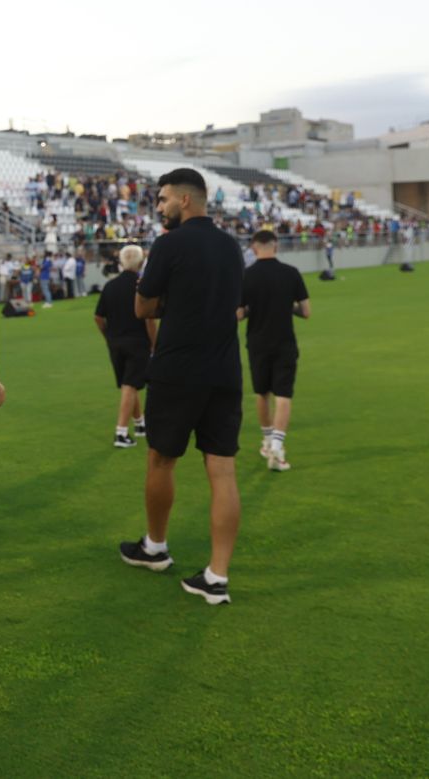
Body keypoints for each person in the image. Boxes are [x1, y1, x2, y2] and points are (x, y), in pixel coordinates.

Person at [119, 168, 242, 606]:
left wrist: (170, 302)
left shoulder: (169, 244)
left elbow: (142, 307)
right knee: (222, 470)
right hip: (226, 369)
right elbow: (233, 305)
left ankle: (155, 547)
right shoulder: (231, 245)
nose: (159, 206)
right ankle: (217, 576)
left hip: (178, 369)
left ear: (184, 200)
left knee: (161, 459)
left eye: (163, 198)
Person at [239, 230, 311, 472]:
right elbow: (306, 311)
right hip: (284, 342)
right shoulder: (291, 273)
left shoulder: (246, 275)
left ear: (254, 248)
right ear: (276, 246)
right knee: (283, 395)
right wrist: (286, 306)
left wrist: (253, 309)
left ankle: (267, 440)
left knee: (262, 393)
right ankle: (278, 447)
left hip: (258, 342)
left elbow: (238, 314)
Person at [94, 244, 154, 449]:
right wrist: (154, 344)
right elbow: (149, 319)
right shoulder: (142, 285)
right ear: (141, 262)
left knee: (129, 384)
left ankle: (140, 424)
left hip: (115, 343)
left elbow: (98, 317)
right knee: (130, 385)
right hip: (137, 342)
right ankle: (121, 433)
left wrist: (108, 336)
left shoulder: (110, 286)